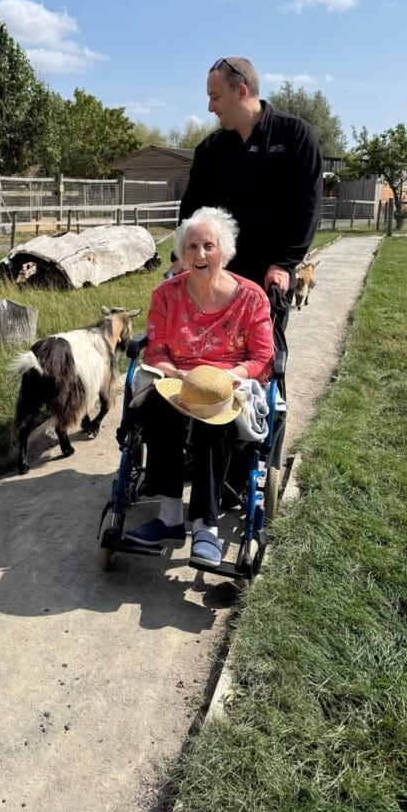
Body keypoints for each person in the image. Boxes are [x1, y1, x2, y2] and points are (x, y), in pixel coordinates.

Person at [123, 206, 274, 568]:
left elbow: (264, 357)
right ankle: (171, 517)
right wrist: (177, 376)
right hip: (176, 377)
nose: (200, 254)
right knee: (160, 410)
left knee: (213, 418)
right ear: (181, 253)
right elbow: (156, 350)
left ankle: (206, 526)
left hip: (229, 380)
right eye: (191, 247)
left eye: (209, 245)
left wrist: (231, 376)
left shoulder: (251, 298)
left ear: (225, 250)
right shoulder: (165, 295)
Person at [175, 57, 323, 375]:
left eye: (215, 97)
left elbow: (307, 207)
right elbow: (192, 211)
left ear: (241, 91)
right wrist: (182, 255)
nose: (211, 107)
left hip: (271, 276)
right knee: (211, 364)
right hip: (217, 276)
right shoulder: (211, 150)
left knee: (263, 369)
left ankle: (266, 423)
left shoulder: (295, 137)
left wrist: (285, 263)